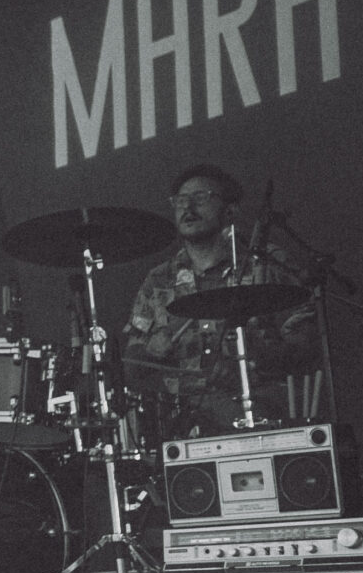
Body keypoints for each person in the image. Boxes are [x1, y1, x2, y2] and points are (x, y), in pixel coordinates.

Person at [126, 165, 319, 436]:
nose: (188, 208)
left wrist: (254, 359)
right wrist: (150, 351)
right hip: (185, 421)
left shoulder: (265, 265)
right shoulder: (159, 280)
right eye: (181, 201)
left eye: (200, 198)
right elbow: (133, 365)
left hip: (261, 410)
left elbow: (308, 346)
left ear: (230, 211)